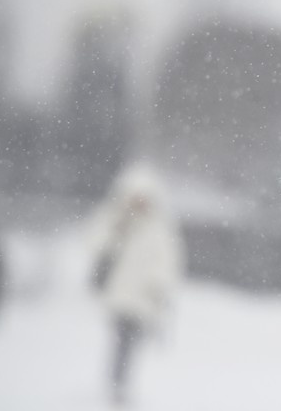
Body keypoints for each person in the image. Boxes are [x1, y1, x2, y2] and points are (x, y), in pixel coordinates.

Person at [88, 164, 184, 407]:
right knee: (122, 342)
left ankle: (118, 384)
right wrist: (115, 231)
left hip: (143, 298)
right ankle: (116, 384)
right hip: (118, 295)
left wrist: (159, 286)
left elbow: (168, 261)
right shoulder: (113, 219)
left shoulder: (159, 228)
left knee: (128, 343)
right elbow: (96, 244)